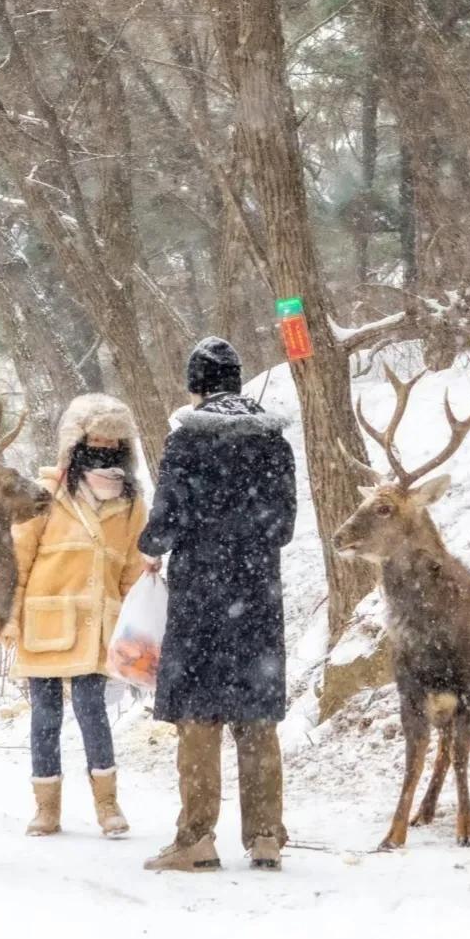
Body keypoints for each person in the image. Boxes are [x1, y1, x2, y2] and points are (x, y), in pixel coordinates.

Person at [139, 336, 297, 873]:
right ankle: (267, 836)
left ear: (195, 386)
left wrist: (152, 548)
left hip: (201, 595)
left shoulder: (186, 441)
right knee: (256, 717)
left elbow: (165, 522)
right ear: (237, 381)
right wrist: (245, 538)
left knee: (198, 715)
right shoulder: (274, 442)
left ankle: (196, 839)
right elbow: (283, 527)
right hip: (256, 593)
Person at [2, 393, 148, 838]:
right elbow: (18, 558)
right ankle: (46, 809)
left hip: (100, 627)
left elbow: (132, 569)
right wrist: (8, 616)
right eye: (95, 437)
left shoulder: (131, 501)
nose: (103, 445)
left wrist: (134, 629)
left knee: (92, 712)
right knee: (44, 716)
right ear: (76, 440)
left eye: (112, 439)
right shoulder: (45, 494)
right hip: (45, 621)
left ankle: (107, 805)